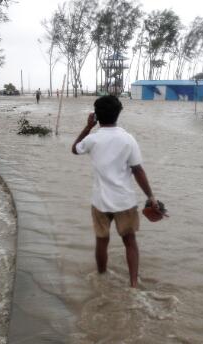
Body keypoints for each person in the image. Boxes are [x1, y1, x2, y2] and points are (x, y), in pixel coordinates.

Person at [71, 95, 160, 288]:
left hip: (100, 202)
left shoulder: (92, 139)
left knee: (101, 241)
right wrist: (150, 197)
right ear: (118, 113)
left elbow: (74, 149)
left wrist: (88, 127)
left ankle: (101, 278)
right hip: (124, 201)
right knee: (130, 242)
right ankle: (134, 284)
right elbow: (138, 170)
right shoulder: (128, 139)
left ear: (96, 116)